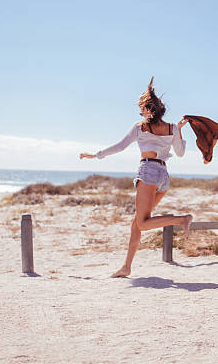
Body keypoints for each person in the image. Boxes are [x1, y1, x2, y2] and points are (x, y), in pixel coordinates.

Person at [80, 78, 193, 278]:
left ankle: (181, 220)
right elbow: (181, 152)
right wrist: (180, 130)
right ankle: (126, 267)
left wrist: (95, 155)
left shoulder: (140, 127)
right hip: (163, 177)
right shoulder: (172, 128)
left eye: (142, 108)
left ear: (149, 110)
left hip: (149, 173)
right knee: (137, 223)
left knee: (141, 223)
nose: (141, 112)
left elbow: (120, 146)